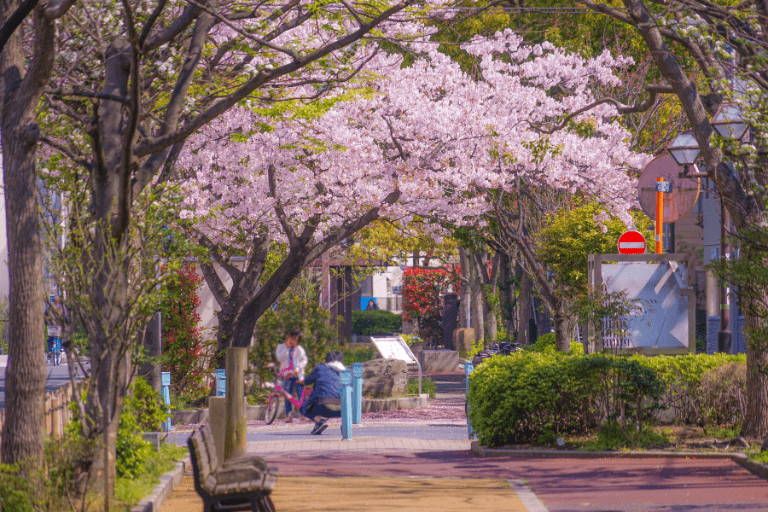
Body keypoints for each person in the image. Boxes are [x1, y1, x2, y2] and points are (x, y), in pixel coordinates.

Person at [299, 350, 345, 435]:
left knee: (303, 408)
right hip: (343, 409)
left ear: (326, 361)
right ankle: (346, 424)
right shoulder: (346, 372)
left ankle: (320, 421)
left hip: (324, 407)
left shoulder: (320, 368)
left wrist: (299, 381)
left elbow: (307, 381)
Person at [275, 327, 307, 423]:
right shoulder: (281, 347)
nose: (294, 342)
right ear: (288, 337)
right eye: (293, 339)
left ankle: (303, 414)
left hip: (297, 375)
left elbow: (304, 360)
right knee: (287, 395)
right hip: (287, 375)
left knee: (300, 394)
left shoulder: (299, 349)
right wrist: (287, 348)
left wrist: (298, 368)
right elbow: (280, 358)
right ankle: (288, 415)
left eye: (296, 340)